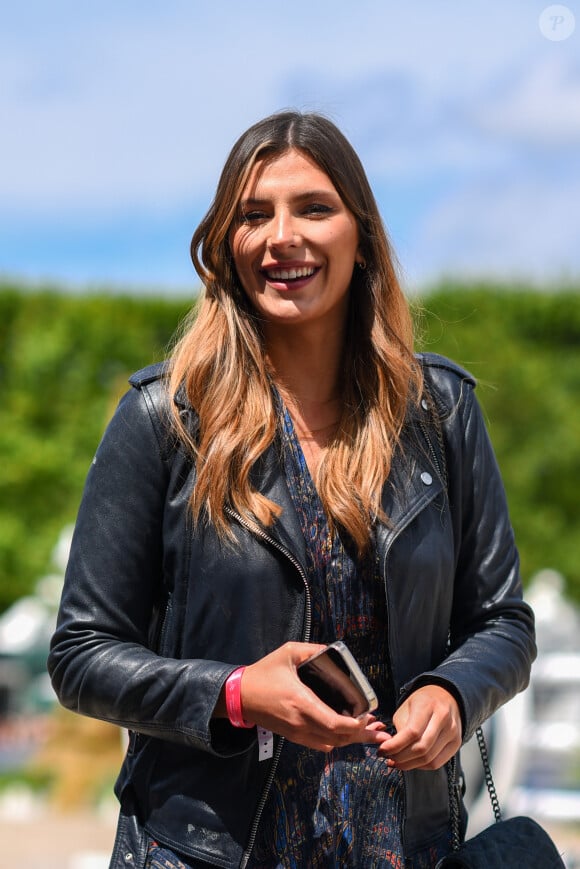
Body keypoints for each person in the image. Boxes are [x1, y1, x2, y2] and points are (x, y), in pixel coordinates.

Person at [48, 110, 536, 869]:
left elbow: (503, 620)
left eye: (313, 207)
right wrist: (238, 692)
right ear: (227, 244)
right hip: (206, 850)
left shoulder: (439, 412)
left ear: (361, 235)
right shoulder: (162, 420)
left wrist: (452, 692)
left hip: (403, 846)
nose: (283, 236)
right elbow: (81, 654)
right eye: (253, 214)